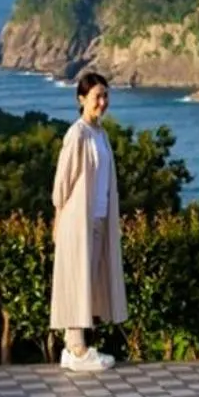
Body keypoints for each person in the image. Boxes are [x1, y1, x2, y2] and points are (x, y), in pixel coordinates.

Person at [51, 71, 126, 372]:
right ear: (82, 99)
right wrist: (58, 220)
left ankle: (74, 348)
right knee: (76, 281)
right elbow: (62, 184)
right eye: (97, 96)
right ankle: (77, 349)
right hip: (77, 221)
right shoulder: (77, 134)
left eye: (106, 95)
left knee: (88, 282)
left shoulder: (101, 134)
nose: (103, 102)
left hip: (97, 219)